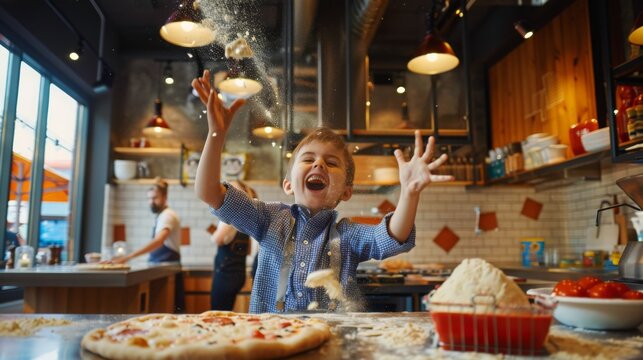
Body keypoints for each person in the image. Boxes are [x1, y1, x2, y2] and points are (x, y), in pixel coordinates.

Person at [192, 70, 453, 313]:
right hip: (271, 340)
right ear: (288, 185)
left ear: (346, 192)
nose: (318, 164)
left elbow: (393, 236)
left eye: (331, 163)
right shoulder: (267, 219)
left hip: (332, 342)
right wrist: (215, 134)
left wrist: (409, 192)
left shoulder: (348, 236)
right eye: (308, 160)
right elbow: (209, 194)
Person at [112, 177, 185, 312]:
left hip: (167, 269)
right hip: (162, 268)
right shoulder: (161, 215)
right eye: (149, 198)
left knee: (168, 312)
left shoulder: (167, 216)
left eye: (155, 198)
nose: (151, 202)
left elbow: (159, 241)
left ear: (165, 197)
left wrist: (128, 257)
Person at [210, 180, 257, 311]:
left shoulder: (230, 218)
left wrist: (213, 234)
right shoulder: (247, 216)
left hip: (226, 275)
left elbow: (218, 239)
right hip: (238, 273)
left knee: (218, 313)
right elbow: (247, 251)